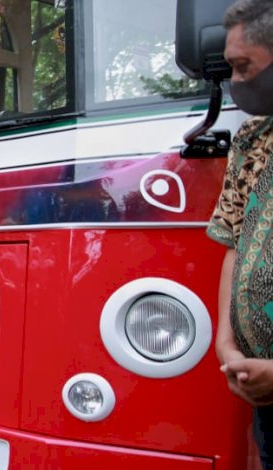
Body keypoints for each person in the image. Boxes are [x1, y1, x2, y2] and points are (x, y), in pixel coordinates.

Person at [212, 1, 273, 468]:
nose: (236, 83)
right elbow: (234, 244)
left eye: (243, 67)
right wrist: (227, 345)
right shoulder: (251, 140)